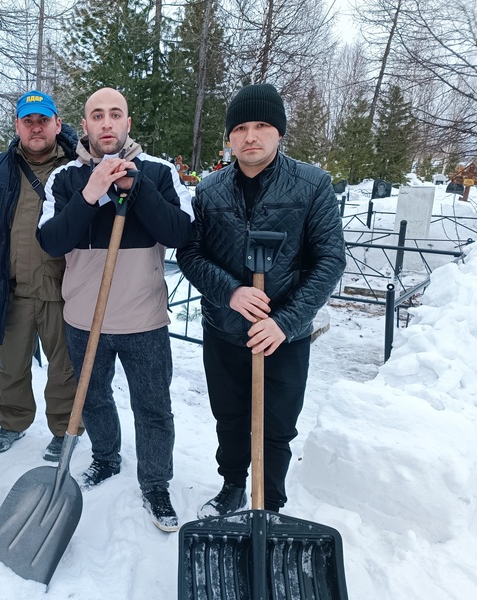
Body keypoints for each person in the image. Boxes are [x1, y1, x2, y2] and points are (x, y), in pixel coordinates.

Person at [176, 83, 346, 517]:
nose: (251, 136)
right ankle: (233, 485)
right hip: (225, 331)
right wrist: (230, 292)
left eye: (262, 125)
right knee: (231, 420)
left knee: (276, 428)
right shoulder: (210, 190)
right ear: (230, 137)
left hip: (282, 339)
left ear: (279, 132)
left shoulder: (312, 185)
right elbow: (191, 254)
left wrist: (285, 323)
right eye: (241, 128)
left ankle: (270, 503)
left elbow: (329, 260)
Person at [37, 87, 194, 532]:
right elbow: (51, 241)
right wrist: (91, 193)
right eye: (97, 115)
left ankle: (156, 481)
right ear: (84, 125)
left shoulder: (159, 172)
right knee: (93, 397)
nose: (106, 123)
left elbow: (182, 232)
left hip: (144, 319)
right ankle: (106, 457)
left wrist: (136, 189)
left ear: (128, 123)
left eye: (116, 114)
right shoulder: (66, 178)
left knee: (153, 405)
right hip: (84, 319)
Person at [0, 90, 80, 461]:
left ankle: (65, 430)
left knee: (64, 368)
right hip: (9, 287)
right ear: (17, 126)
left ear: (57, 124)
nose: (36, 128)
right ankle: (12, 421)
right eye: (28, 121)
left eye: (43, 120)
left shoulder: (78, 167)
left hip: (63, 290)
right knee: (11, 363)